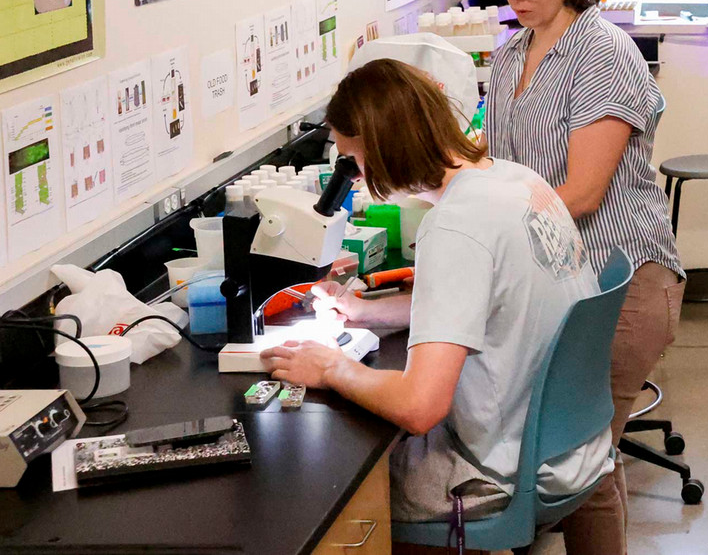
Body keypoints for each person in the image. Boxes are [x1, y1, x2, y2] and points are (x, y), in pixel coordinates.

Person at [259, 59, 609, 551]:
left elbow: (420, 407)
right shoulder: (517, 181)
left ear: (380, 148)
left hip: (494, 471)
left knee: (318, 491)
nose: (355, 177)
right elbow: (494, 304)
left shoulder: (455, 227)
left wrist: (332, 368)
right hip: (570, 445)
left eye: (352, 160)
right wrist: (367, 312)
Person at [482, 0, 685, 555]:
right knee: (588, 461)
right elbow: (500, 172)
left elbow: (584, 190)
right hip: (556, 280)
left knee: (581, 462)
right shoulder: (511, 54)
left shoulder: (602, 53)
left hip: (615, 285)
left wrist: (487, 232)